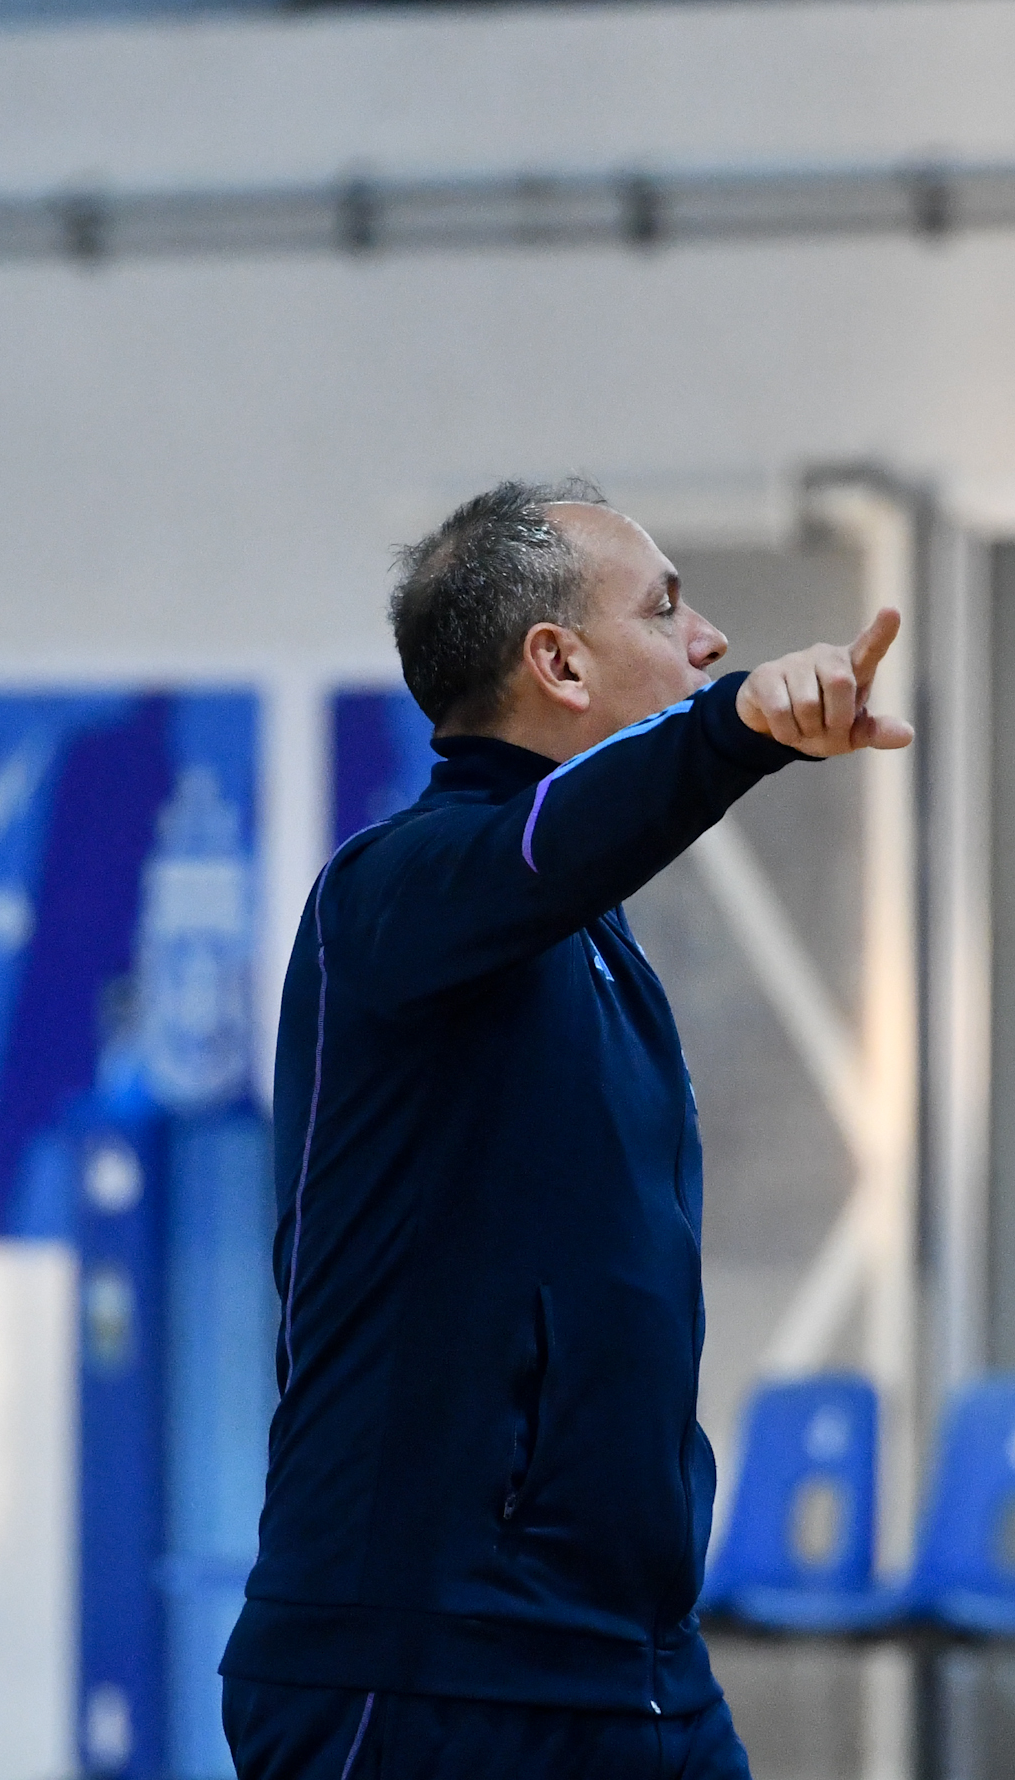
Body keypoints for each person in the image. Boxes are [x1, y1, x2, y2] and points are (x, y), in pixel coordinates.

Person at [222, 478, 909, 1779]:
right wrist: (734, 725)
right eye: (664, 607)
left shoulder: (591, 937)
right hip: (421, 1675)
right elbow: (547, 843)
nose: (708, 638)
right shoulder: (397, 890)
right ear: (559, 662)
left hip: (634, 1671)